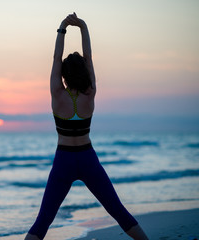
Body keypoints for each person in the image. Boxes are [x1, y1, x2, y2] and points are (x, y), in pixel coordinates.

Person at [24, 13, 149, 240]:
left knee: (43, 221)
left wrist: (62, 27)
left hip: (63, 160)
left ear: (63, 74)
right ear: (82, 71)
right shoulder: (89, 93)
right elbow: (89, 56)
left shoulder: (57, 94)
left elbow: (55, 57)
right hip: (87, 159)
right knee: (118, 211)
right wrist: (83, 26)